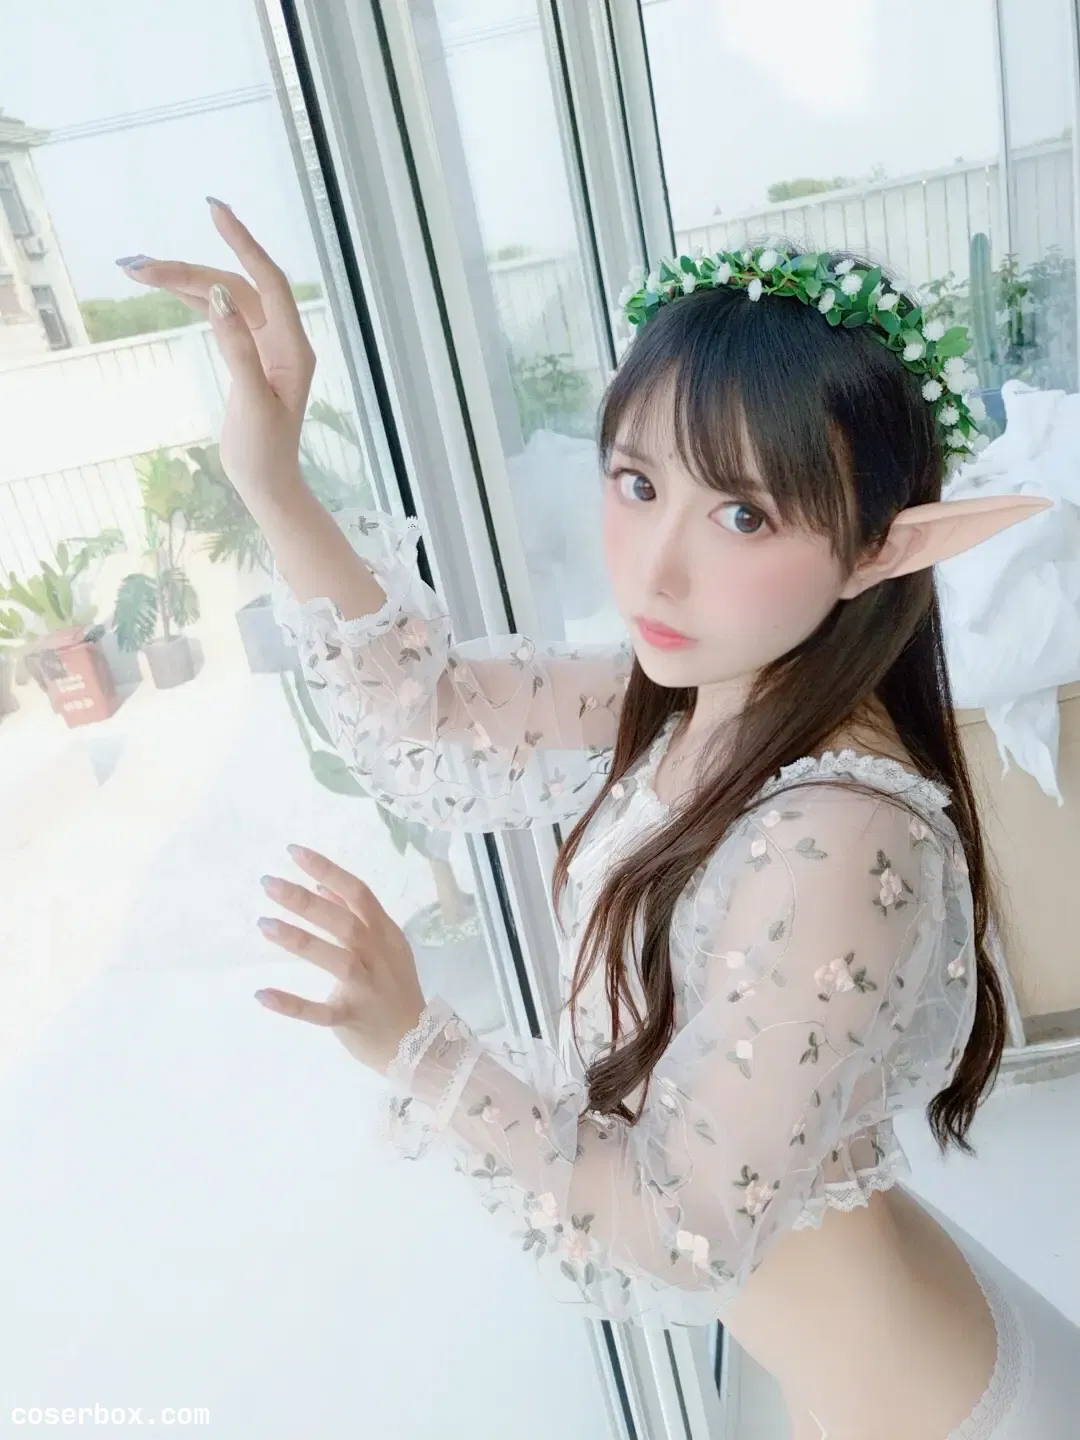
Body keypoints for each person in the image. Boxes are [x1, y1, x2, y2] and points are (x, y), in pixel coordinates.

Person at [120, 200, 1080, 1439]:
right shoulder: (702, 697)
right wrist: (272, 478)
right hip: (875, 1368)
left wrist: (417, 1044)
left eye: (743, 515)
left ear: (880, 552)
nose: (653, 567)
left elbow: (679, 1225)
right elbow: (431, 715)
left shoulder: (840, 839)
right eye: (638, 483)